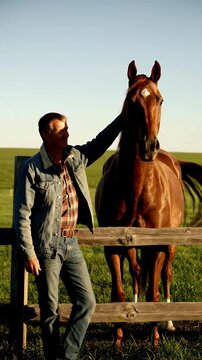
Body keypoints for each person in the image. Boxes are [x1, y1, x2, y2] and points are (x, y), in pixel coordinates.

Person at [14, 112, 123, 360]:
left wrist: (122, 119)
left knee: (87, 302)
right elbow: (22, 215)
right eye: (61, 130)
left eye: (67, 128)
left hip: (71, 244)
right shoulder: (32, 168)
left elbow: (99, 142)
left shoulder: (74, 157)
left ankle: (67, 355)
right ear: (45, 135)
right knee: (50, 310)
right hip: (46, 248)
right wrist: (29, 253)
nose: (67, 133)